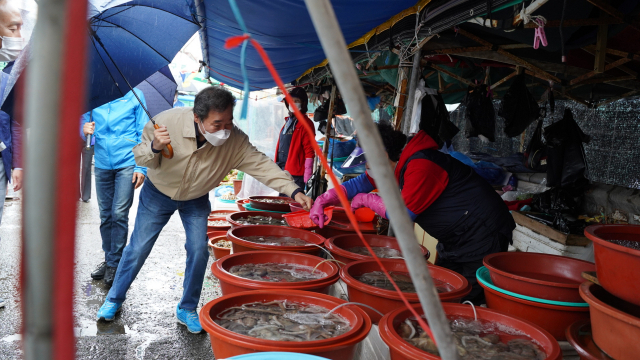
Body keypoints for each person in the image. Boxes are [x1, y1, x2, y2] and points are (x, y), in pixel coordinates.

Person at [97, 86, 313, 333]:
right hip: (158, 194)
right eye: (217, 123)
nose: (225, 130)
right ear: (197, 118)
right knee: (137, 247)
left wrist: (293, 190)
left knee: (199, 249)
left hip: (196, 198)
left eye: (229, 121)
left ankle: (187, 307)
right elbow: (141, 158)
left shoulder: (235, 142)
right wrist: (155, 147)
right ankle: (114, 298)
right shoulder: (166, 122)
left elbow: (262, 166)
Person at [310, 122, 515, 305]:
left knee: (466, 298)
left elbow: (402, 216)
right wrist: (323, 199)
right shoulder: (395, 164)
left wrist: (367, 199)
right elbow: (361, 182)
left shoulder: (422, 165)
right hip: (456, 237)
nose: (367, 168)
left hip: (481, 233)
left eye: (369, 163)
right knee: (444, 291)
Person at [81, 89, 149, 287]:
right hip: (102, 163)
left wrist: (141, 166)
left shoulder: (135, 95)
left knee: (119, 213)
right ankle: (109, 258)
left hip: (128, 162)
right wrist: (83, 129)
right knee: (106, 215)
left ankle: (115, 263)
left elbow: (143, 132)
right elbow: (82, 121)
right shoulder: (93, 94)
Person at [0, 0, 24, 309]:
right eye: (12, 28)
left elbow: (15, 122)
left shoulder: (9, 75)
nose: (19, 35)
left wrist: (18, 163)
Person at [274, 87, 315, 190]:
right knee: (282, 202)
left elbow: (309, 151)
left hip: (295, 175)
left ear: (303, 103)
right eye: (291, 101)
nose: (293, 103)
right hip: (282, 170)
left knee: (292, 203)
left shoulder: (306, 124)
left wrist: (308, 173)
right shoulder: (288, 122)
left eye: (297, 101)